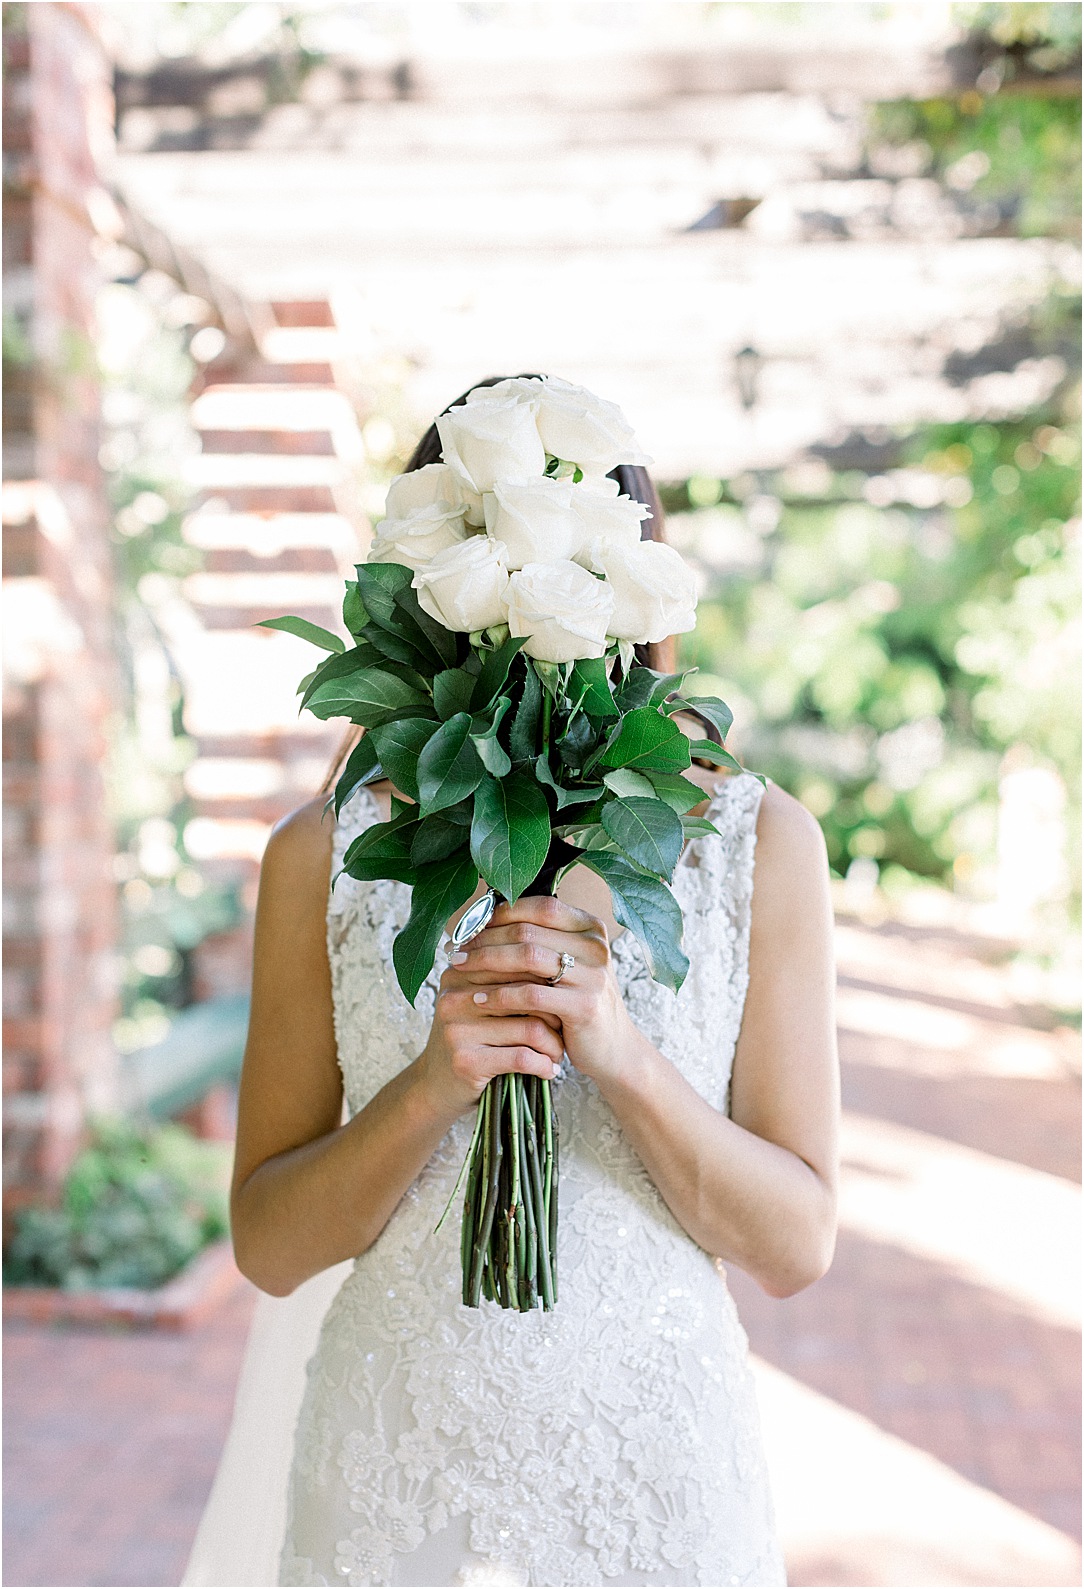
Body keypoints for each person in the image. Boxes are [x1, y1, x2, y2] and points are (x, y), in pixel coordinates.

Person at [186, 381, 840, 1589]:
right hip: (395, 1471)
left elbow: (796, 1240)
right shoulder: (319, 856)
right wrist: (437, 1078)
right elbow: (271, 1246)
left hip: (654, 1468)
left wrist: (621, 1055)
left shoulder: (755, 843)